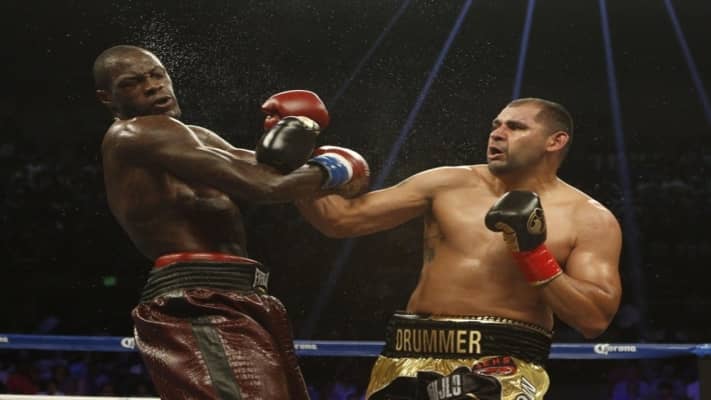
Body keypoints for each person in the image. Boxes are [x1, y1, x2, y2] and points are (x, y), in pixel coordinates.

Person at [297, 97, 623, 399]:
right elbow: (340, 220)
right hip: (405, 358)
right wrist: (296, 163)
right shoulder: (445, 184)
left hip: (500, 367)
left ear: (555, 141)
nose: (497, 134)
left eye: (515, 127)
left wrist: (533, 253)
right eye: (496, 125)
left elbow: (593, 319)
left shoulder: (588, 218)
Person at [93, 44, 369, 399]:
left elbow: (275, 171)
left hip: (241, 293)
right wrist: (339, 165)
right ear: (107, 98)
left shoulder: (195, 137)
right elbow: (265, 185)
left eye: (157, 75)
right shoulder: (133, 134)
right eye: (132, 83)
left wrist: (299, 135)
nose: (152, 86)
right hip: (197, 301)